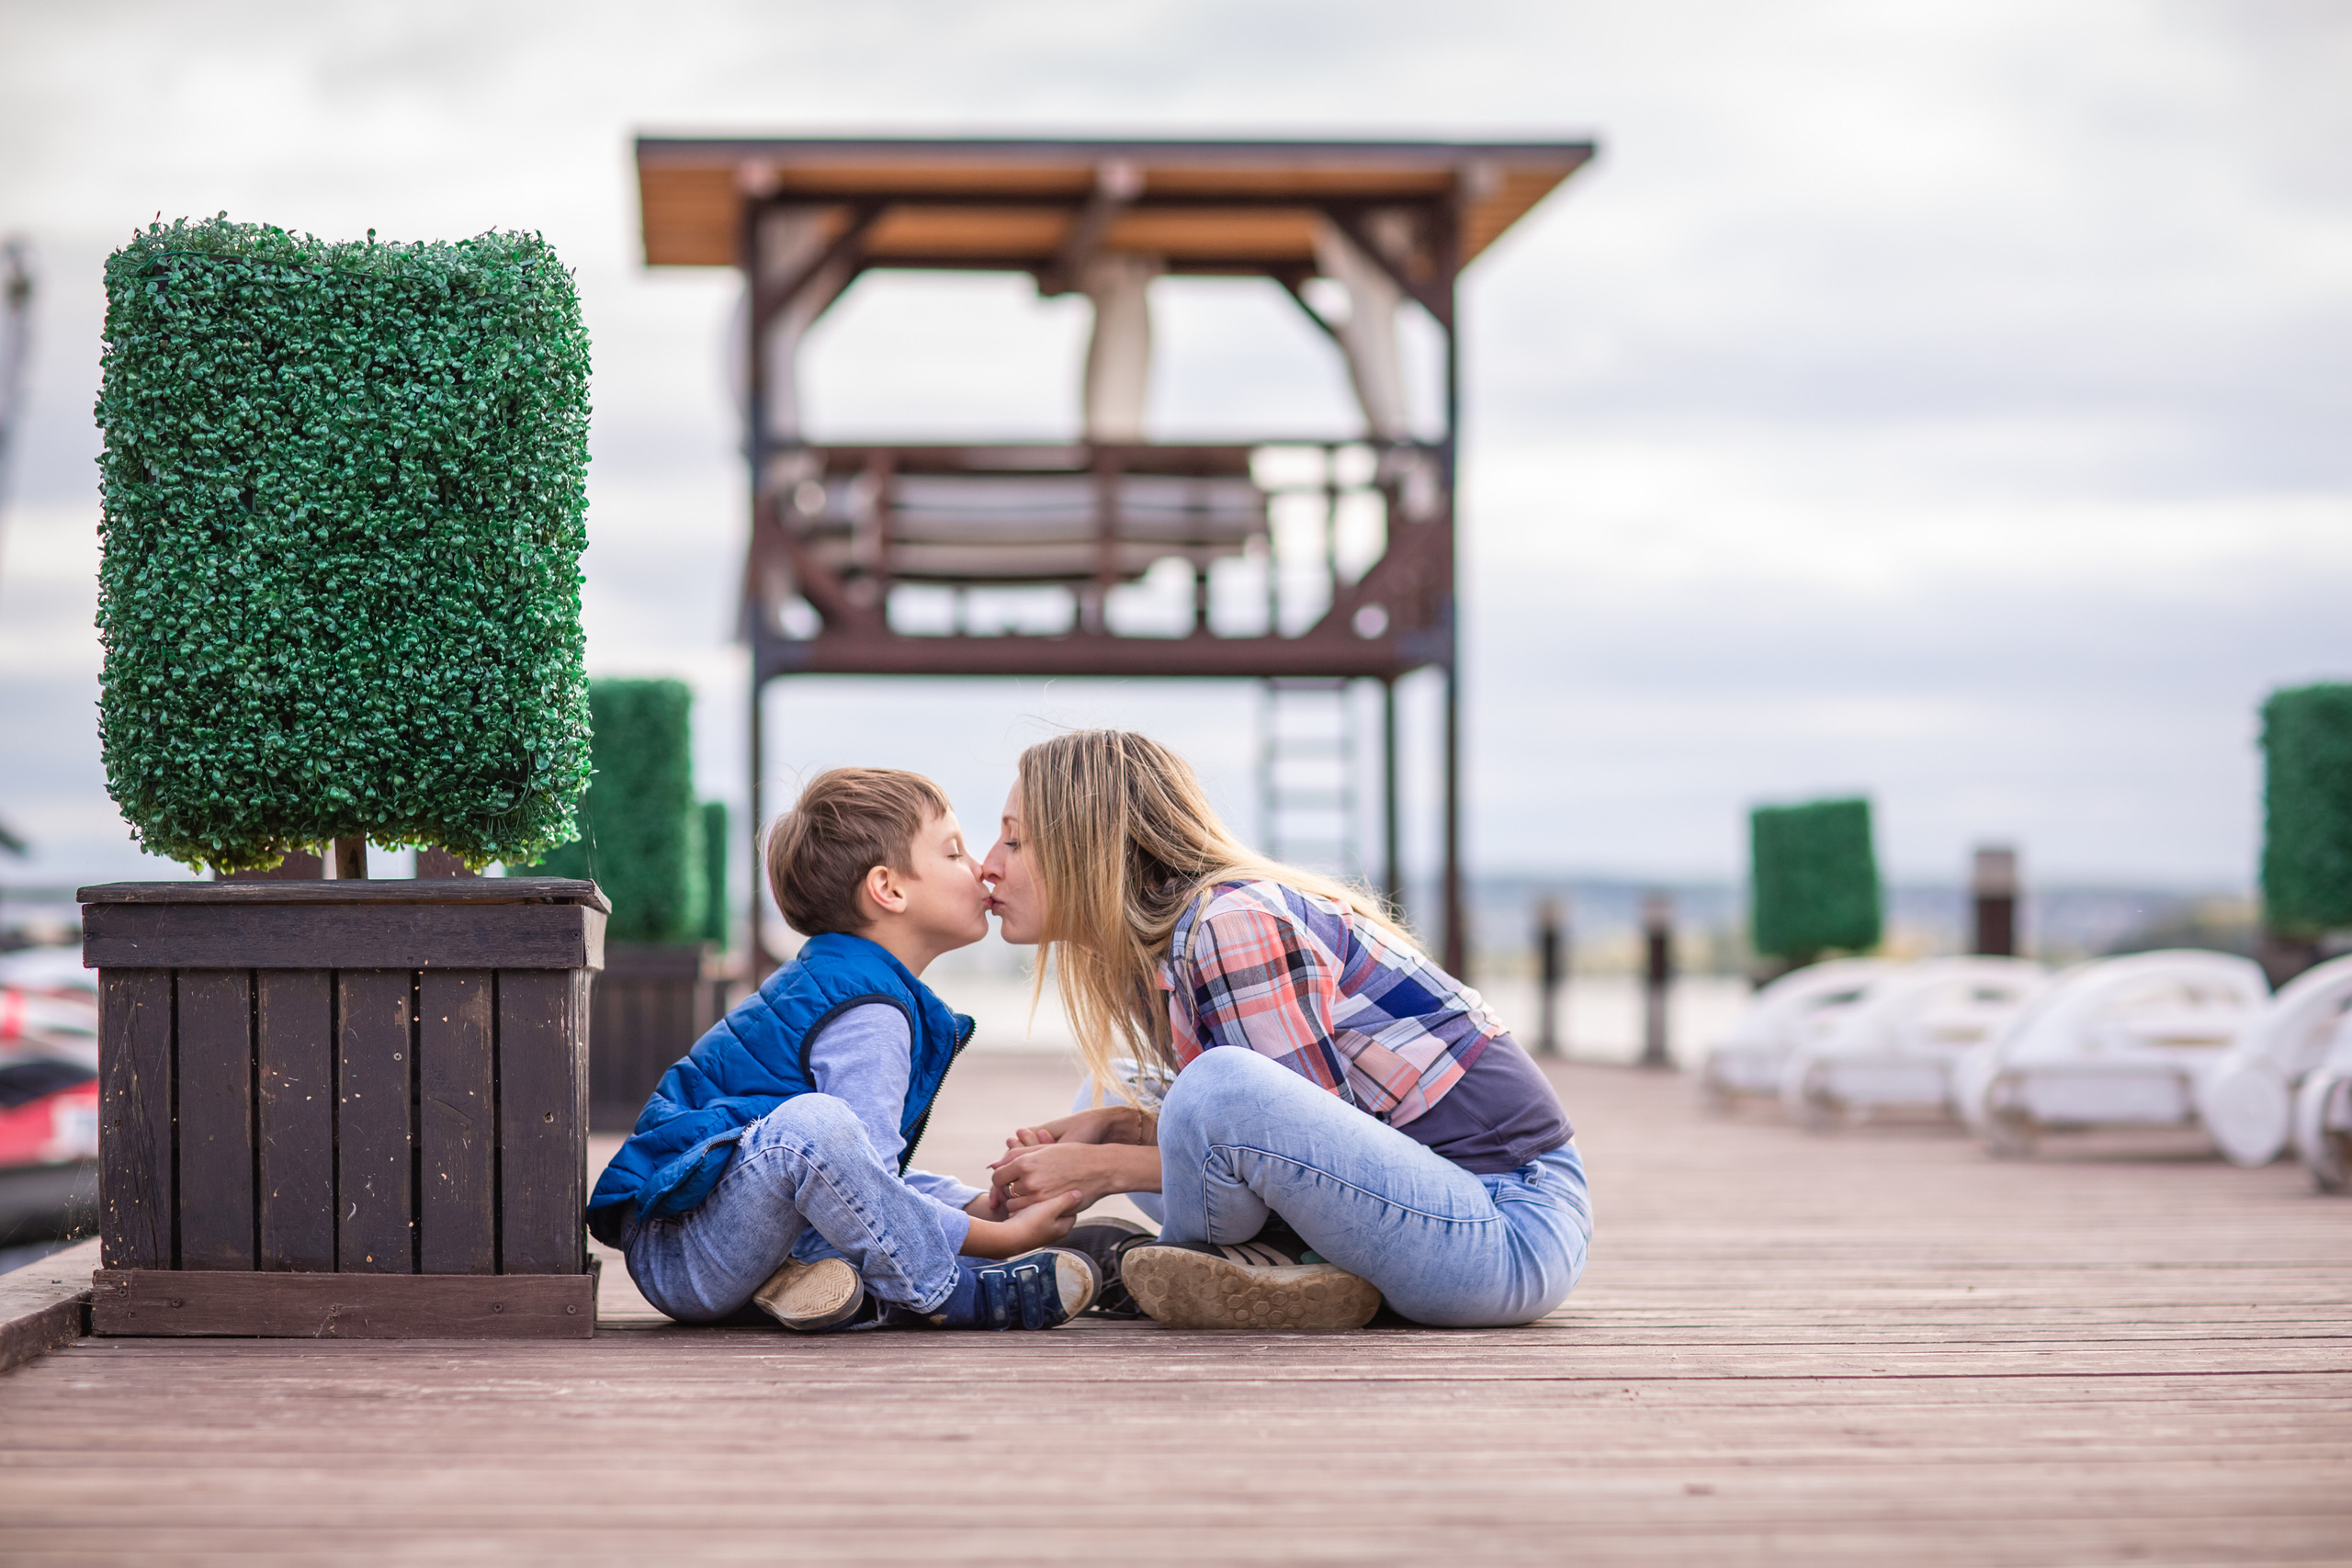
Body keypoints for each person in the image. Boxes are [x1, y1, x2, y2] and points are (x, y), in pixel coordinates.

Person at [978, 730, 1591, 1330]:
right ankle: (1279, 1267)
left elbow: (1285, 1146)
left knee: (1217, 1084)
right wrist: (1118, 1126)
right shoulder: (1162, 948)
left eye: (1014, 841)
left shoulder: (1232, 920)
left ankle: (1238, 1263)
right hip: (1424, 1201)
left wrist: (1102, 1166)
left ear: (1088, 849)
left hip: (1507, 1223)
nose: (988, 867)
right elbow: (1277, 1143)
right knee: (1109, 1092)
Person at [587, 767, 1098, 1333]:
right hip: (684, 1247)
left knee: (857, 1164)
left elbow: (861, 1180)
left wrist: (975, 1206)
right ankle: (949, 1293)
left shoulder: (849, 981)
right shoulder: (867, 1010)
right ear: (889, 889)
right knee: (819, 1129)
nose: (979, 867)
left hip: (720, 1227)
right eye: (954, 853)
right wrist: (1001, 1239)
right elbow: (845, 1164)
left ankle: (830, 1288)